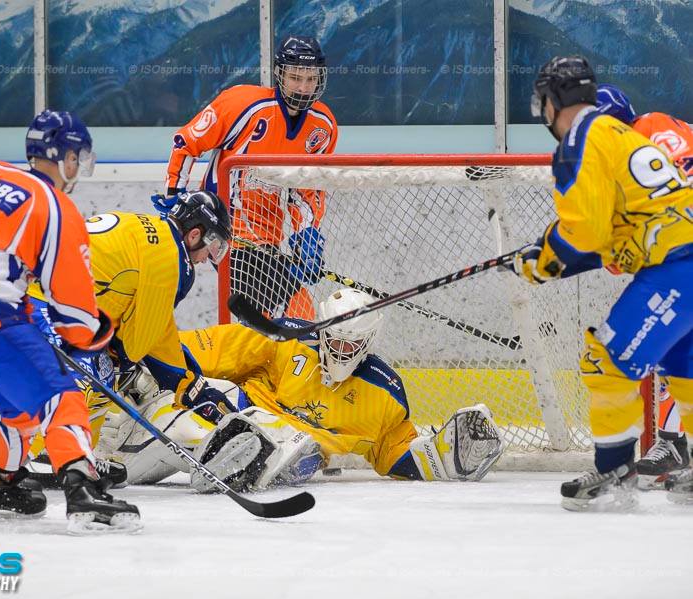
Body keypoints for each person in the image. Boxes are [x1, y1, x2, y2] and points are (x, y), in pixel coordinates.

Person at [0, 109, 141, 534]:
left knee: (18, 407)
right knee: (61, 395)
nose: (78, 168)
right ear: (64, 156)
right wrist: (95, 332)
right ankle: (83, 487)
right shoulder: (58, 208)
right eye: (77, 157)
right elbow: (74, 313)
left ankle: (0, 482)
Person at [511, 56, 693, 510]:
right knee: (686, 372)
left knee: (606, 362)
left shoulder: (581, 139)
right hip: (680, 257)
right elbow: (610, 241)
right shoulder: (621, 135)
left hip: (679, 266)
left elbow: (584, 234)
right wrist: (551, 256)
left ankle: (615, 472)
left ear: (554, 101)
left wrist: (545, 260)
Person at [100, 288, 504, 490]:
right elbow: (211, 347)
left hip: (294, 456)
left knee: (303, 449)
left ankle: (140, 446)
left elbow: (393, 451)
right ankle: (114, 441)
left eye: (353, 345)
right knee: (198, 391)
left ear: (369, 343)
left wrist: (448, 455)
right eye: (337, 340)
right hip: (235, 420)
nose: (343, 351)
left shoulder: (386, 391)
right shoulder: (288, 339)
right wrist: (145, 354)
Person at [29, 190, 236, 444]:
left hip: (30, 293)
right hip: (38, 304)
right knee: (89, 381)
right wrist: (182, 383)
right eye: (213, 247)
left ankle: (80, 457)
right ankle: (45, 455)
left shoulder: (150, 231)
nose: (208, 259)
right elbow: (139, 344)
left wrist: (187, 381)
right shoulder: (170, 261)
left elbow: (151, 325)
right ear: (194, 235)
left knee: (102, 372)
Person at [158, 35, 338, 320]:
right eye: (295, 78)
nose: (303, 88)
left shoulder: (322, 126)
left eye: (310, 79)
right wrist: (174, 198)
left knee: (280, 320)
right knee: (293, 313)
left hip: (268, 240)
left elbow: (305, 192)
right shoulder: (241, 104)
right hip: (225, 230)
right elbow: (186, 143)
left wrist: (307, 234)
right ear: (279, 74)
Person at [595, 83, 692, 489]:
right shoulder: (657, 127)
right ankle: (673, 442)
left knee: (615, 359)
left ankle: (667, 445)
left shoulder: (638, 147)